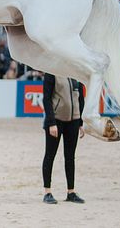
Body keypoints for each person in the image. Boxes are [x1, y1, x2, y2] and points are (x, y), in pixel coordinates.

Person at [41, 72, 86, 205]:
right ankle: (47, 192)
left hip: (74, 120)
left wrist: (80, 122)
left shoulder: (76, 73)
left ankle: (71, 192)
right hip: (56, 120)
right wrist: (51, 123)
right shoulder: (52, 72)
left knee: (70, 157)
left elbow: (81, 99)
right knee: (50, 155)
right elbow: (46, 98)